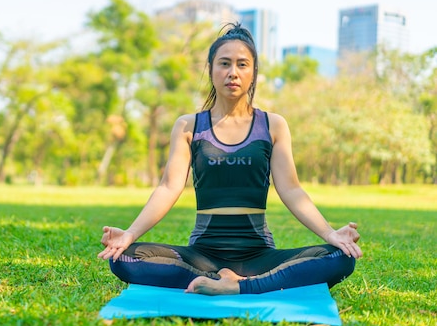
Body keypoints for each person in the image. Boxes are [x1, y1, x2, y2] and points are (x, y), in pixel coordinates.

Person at [97, 22, 362, 295]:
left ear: (253, 73)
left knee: (341, 257)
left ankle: (239, 286)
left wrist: (331, 234)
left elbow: (292, 189)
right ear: (211, 69)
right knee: (124, 258)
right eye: (224, 63)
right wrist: (130, 233)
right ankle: (229, 281)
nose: (232, 73)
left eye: (242, 64)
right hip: (202, 258)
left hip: (258, 257)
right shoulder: (189, 126)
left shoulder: (273, 125)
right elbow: (168, 187)